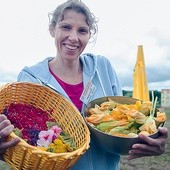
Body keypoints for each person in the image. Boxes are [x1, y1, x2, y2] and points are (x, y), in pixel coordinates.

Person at [0, 0, 168, 169]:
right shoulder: (31, 79)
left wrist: (151, 140)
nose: (73, 38)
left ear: (89, 35)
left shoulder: (103, 68)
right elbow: (23, 142)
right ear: (52, 29)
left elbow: (125, 125)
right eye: (66, 27)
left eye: (82, 30)